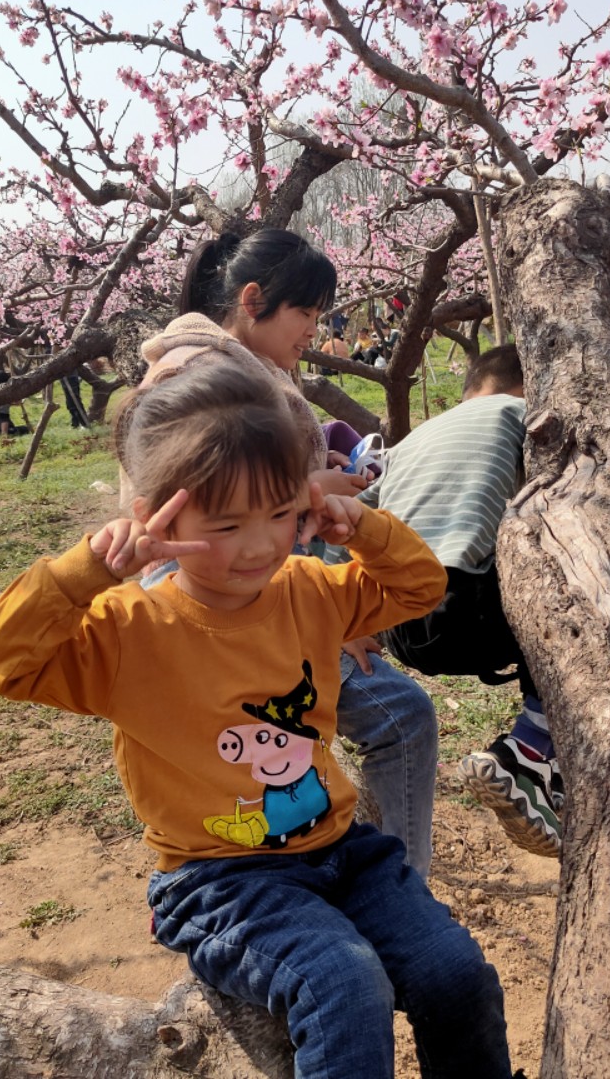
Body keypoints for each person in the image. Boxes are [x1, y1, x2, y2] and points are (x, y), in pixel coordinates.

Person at [0, 362, 511, 1079]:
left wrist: (365, 528)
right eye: (226, 525)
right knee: (343, 984)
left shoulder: (310, 588)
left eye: (283, 514)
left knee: (455, 972)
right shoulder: (125, 631)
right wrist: (80, 575)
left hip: (345, 852)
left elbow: (419, 586)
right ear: (156, 517)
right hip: (220, 880)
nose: (259, 545)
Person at [328, 343, 610, 857]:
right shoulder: (523, 418)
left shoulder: (408, 444)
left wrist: (347, 623)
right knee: (574, 598)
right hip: (457, 604)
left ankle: (546, 769)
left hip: (398, 626)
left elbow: (343, 515)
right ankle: (527, 749)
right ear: (531, 394)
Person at [132, 228, 442, 878]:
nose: (314, 329)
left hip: (253, 582)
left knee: (289, 746)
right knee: (399, 717)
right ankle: (397, 884)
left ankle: (335, 864)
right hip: (226, 590)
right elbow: (224, 510)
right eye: (305, 312)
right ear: (253, 299)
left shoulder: (227, 367)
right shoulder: (206, 373)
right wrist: (318, 496)